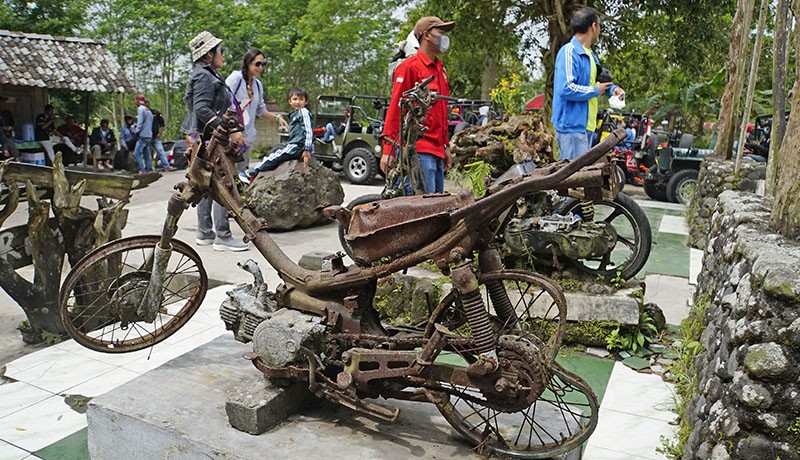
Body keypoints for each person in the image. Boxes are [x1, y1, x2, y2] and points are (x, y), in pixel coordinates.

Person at [182, 30, 249, 252]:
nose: (223, 55)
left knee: (206, 184)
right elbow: (202, 108)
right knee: (224, 183)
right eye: (220, 51)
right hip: (209, 140)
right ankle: (223, 235)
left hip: (203, 139)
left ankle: (205, 232)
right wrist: (227, 131)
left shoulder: (205, 73)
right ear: (209, 54)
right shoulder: (203, 75)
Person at [380, 16, 454, 194]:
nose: (444, 38)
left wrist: (446, 146)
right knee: (421, 210)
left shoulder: (440, 71)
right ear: (427, 35)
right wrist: (388, 148)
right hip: (418, 151)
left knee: (438, 209)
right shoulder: (409, 67)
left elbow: (441, 113)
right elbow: (396, 109)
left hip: (437, 152)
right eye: (441, 32)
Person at [552, 7, 626, 161]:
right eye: (599, 25)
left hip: (588, 126)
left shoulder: (590, 55)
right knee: (571, 178)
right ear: (593, 27)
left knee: (581, 177)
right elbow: (565, 88)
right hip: (571, 128)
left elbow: (600, 82)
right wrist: (594, 90)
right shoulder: (569, 52)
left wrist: (613, 89)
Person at [226, 48, 287, 179]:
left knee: (241, 177)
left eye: (263, 64)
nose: (260, 67)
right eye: (257, 64)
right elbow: (223, 100)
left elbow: (261, 111)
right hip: (230, 137)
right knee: (226, 177)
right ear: (248, 63)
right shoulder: (236, 78)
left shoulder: (258, 85)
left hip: (245, 139)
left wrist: (277, 118)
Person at [248, 86, 313, 175]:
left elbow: (308, 130)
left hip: (298, 145)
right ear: (290, 101)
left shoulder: (303, 112)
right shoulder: (295, 115)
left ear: (306, 102)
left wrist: (307, 149)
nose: (297, 102)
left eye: (301, 99)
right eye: (295, 99)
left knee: (276, 155)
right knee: (276, 151)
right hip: (294, 144)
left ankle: (255, 169)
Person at [147, 105, 176, 172]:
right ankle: (149, 168)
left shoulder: (155, 112)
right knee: (147, 153)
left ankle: (167, 166)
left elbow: (162, 124)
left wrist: (160, 132)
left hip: (155, 136)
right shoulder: (142, 113)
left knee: (161, 151)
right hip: (147, 136)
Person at [132, 93, 155, 173]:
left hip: (143, 135)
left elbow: (140, 122)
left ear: (138, 101)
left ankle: (142, 170)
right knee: (146, 153)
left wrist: (136, 131)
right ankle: (149, 168)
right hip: (149, 135)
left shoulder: (141, 109)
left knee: (136, 153)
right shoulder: (148, 110)